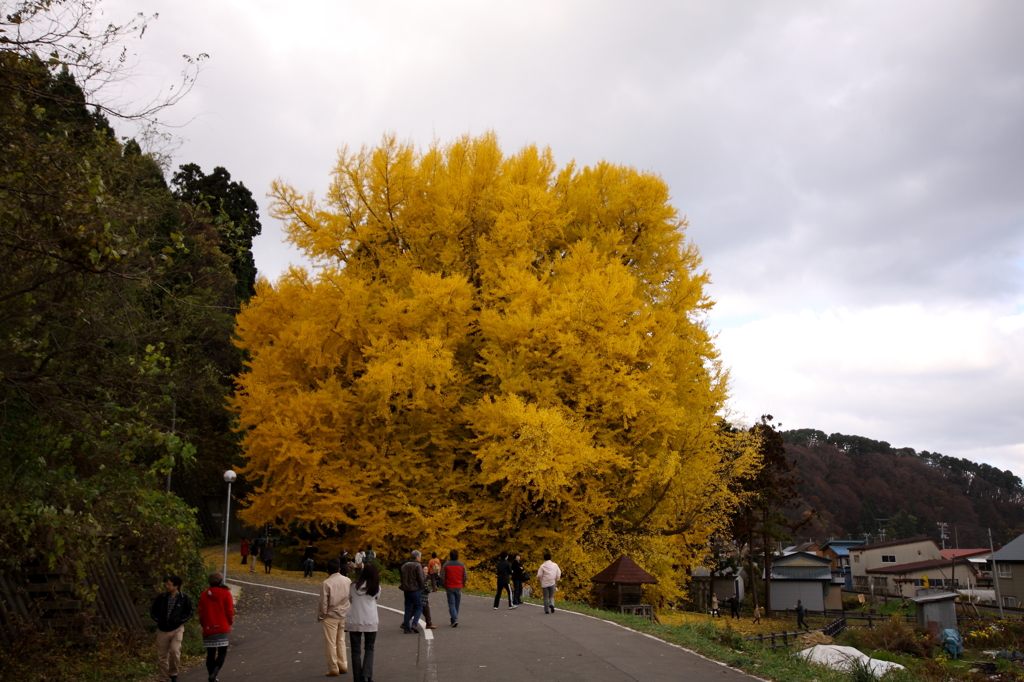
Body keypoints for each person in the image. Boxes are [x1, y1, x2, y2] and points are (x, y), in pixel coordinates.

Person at [150, 575, 193, 682]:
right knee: (162, 656)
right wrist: (159, 620)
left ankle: (173, 673)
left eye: (169, 584)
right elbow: (153, 610)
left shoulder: (184, 598)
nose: (167, 586)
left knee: (174, 651)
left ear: (176, 586)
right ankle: (163, 677)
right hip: (162, 629)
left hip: (176, 629)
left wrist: (179, 621)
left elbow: (189, 612)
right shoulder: (162, 597)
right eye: (166, 584)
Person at [347, 562, 380, 682]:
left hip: (354, 620)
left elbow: (350, 599)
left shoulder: (353, 586)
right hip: (370, 620)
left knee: (355, 650)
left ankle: (357, 677)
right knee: (369, 648)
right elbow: (376, 598)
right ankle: (366, 676)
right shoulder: (376, 587)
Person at [318, 558, 352, 676]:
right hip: (344, 614)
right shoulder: (347, 580)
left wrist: (322, 615)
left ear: (328, 570)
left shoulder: (326, 583)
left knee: (330, 642)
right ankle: (343, 664)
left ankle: (333, 667)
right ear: (339, 568)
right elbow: (351, 597)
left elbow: (323, 602)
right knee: (341, 640)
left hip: (331, 615)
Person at [199, 571, 234, 682]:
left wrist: (204, 624)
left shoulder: (204, 595)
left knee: (211, 653)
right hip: (222, 626)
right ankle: (214, 674)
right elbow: (229, 611)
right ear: (221, 581)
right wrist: (229, 622)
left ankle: (212, 676)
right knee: (222, 652)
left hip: (209, 627)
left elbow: (201, 612)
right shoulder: (226, 593)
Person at [440, 549, 468, 627]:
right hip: (458, 585)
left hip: (449, 586)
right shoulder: (461, 565)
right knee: (457, 604)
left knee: (451, 603)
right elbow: (465, 576)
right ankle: (454, 619)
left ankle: (454, 619)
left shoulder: (446, 565)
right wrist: (463, 582)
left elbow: (442, 576)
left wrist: (443, 584)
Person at [400, 550, 425, 633]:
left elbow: (402, 578)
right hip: (415, 589)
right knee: (419, 607)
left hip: (406, 590)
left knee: (408, 608)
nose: (420, 558)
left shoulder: (404, 566)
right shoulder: (417, 565)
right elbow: (420, 578)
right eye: (420, 556)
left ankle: (406, 627)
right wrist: (422, 587)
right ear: (417, 557)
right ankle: (414, 624)